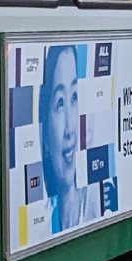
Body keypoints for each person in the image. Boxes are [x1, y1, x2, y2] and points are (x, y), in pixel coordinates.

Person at [38, 45, 91, 232]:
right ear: (44, 133)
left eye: (74, 97)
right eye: (60, 103)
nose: (70, 130)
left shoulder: (94, 208)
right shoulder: (41, 228)